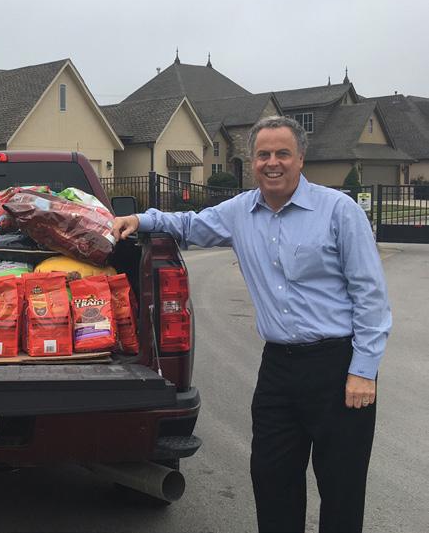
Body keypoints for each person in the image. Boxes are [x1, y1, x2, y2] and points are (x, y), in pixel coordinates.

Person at [113, 116, 391, 533]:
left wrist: (364, 371)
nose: (272, 163)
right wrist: (141, 220)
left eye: (282, 154)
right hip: (279, 368)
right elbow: (189, 224)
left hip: (338, 367)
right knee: (271, 477)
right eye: (263, 155)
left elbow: (370, 295)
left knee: (341, 486)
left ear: (300, 159)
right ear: (252, 162)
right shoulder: (240, 211)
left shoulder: (339, 211)